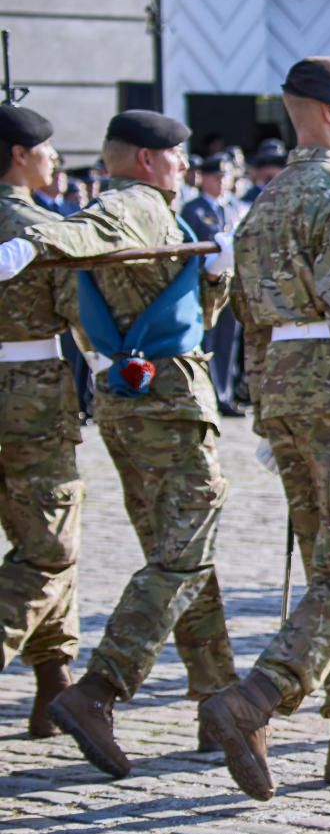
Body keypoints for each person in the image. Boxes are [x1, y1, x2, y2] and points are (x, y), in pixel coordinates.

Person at [198, 56, 330, 801]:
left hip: (289, 396)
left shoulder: (263, 203)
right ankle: (257, 698)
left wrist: (264, 407)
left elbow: (250, 322)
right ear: (324, 113)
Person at [0, 111, 237, 777]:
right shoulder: (131, 200)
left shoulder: (158, 207)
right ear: (145, 158)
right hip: (164, 405)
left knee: (183, 551)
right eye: (177, 156)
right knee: (181, 553)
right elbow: (89, 230)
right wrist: (37, 245)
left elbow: (186, 307)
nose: (186, 166)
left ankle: (217, 701)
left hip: (129, 401)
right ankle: (101, 688)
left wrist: (216, 275)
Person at [0, 105, 82, 737]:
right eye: (47, 148)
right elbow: (81, 314)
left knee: (49, 531)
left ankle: (54, 682)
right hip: (28, 395)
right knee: (50, 543)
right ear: (20, 155)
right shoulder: (38, 226)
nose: (55, 158)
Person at [183, 155, 247, 417]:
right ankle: (208, 393)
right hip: (204, 286)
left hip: (229, 284)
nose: (221, 183)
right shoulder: (194, 209)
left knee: (227, 341)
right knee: (207, 340)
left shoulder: (232, 209)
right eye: (216, 178)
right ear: (204, 179)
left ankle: (225, 393)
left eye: (225, 178)